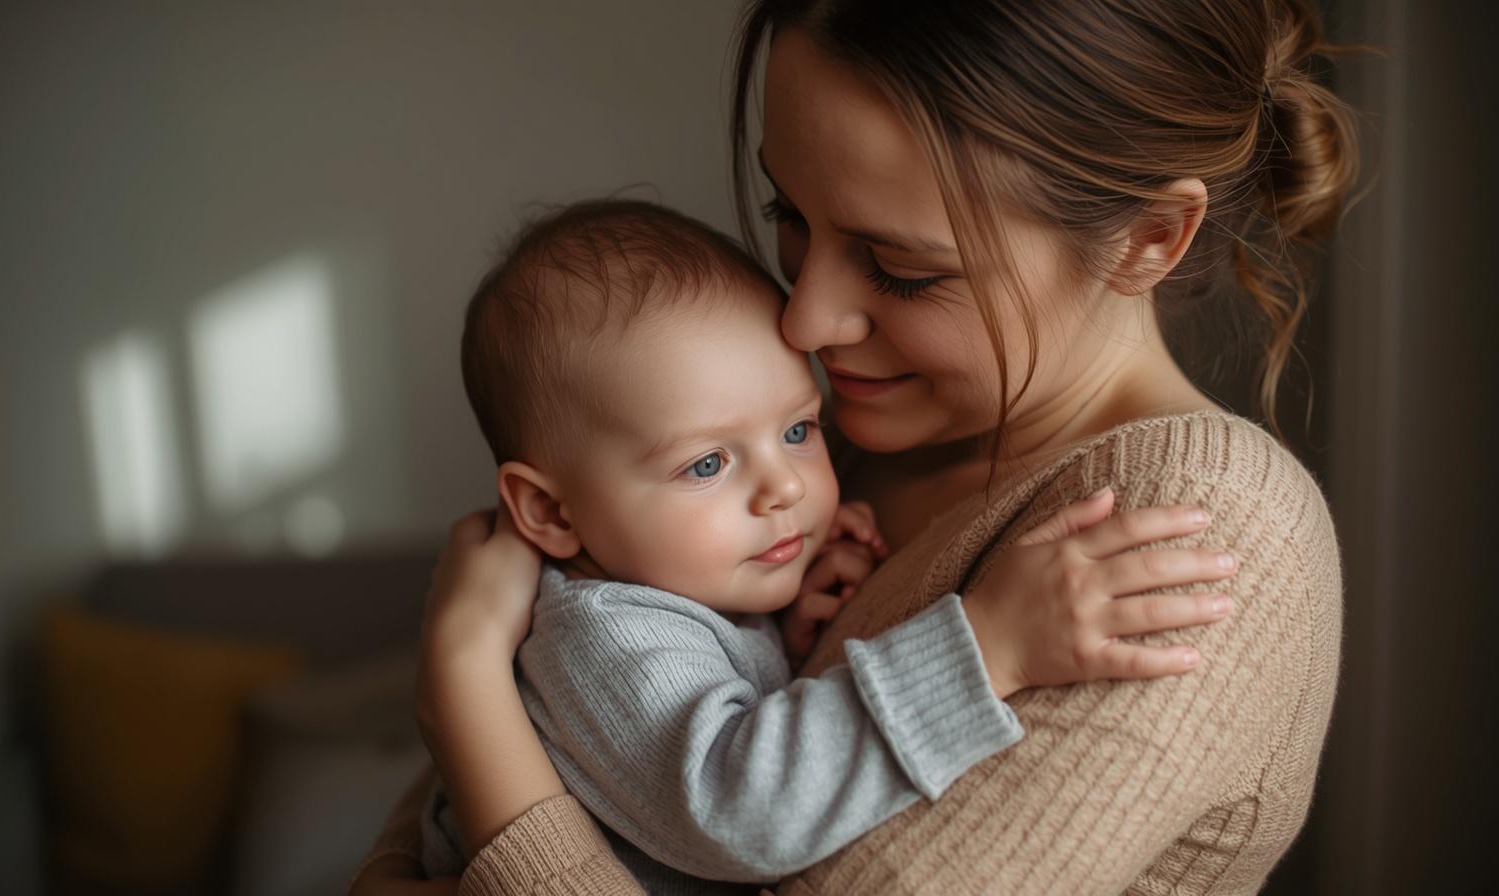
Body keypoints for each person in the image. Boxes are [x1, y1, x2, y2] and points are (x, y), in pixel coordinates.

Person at [354, 0, 1356, 892]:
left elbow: (501, 772)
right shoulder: (813, 461)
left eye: (897, 267)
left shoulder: (1199, 533)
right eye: (789, 215)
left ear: (1149, 236)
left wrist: (460, 683)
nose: (805, 322)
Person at [411, 199, 1233, 894]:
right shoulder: (602, 634)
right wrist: (984, 649)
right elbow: (738, 806)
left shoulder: (679, 590)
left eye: (800, 428)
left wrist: (790, 646)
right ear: (551, 514)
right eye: (706, 463)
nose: (787, 488)